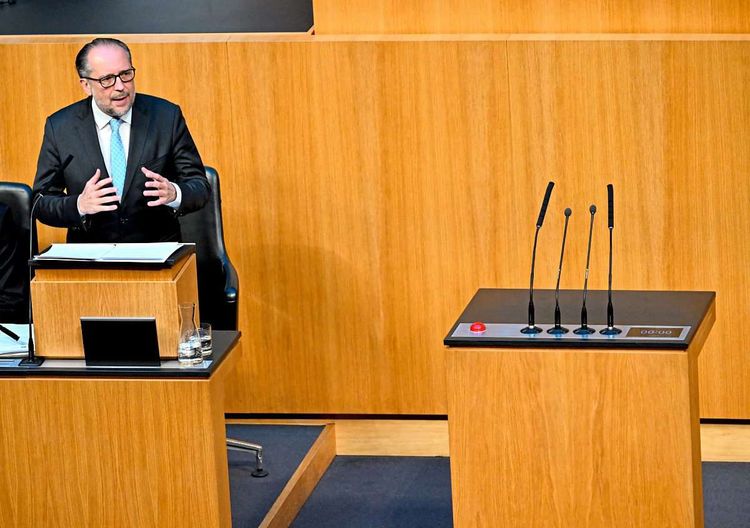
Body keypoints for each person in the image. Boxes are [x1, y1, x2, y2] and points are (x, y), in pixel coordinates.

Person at [32, 38, 210, 243]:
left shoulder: (166, 117)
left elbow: (199, 186)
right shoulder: (61, 127)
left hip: (156, 254)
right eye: (107, 79)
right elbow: (41, 201)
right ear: (86, 85)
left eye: (126, 75)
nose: (120, 87)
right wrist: (79, 204)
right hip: (91, 257)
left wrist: (174, 193)